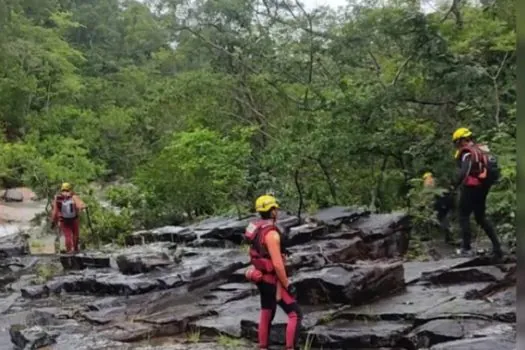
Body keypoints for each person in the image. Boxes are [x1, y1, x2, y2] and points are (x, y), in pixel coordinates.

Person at [244, 194, 302, 350]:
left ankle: (263, 347)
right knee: (295, 314)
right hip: (271, 280)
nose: (277, 211)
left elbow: (254, 252)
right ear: (272, 211)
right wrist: (287, 284)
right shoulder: (271, 234)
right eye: (275, 208)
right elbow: (277, 264)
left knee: (267, 310)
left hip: (260, 278)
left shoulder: (255, 229)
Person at [451, 128, 502, 258]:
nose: (457, 145)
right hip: (484, 187)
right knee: (480, 217)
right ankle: (497, 247)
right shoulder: (482, 149)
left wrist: (454, 185)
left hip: (471, 187)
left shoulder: (467, 153)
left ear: (462, 140)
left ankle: (466, 248)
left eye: (457, 142)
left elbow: (464, 172)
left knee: (463, 215)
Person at [51, 182, 87, 253]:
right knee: (75, 235)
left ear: (62, 189)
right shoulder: (73, 196)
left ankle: (69, 251)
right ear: (70, 189)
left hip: (63, 221)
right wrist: (84, 206)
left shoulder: (58, 198)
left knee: (68, 236)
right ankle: (76, 249)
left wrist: (53, 222)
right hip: (74, 220)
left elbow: (55, 212)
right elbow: (80, 206)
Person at [422, 172, 454, 244]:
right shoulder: (434, 185)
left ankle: (449, 236)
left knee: (444, 221)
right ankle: (448, 236)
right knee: (443, 221)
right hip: (442, 205)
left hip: (444, 205)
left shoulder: (433, 184)